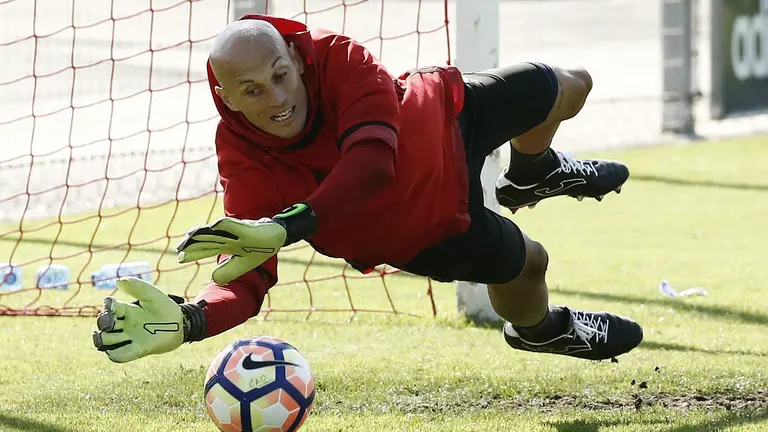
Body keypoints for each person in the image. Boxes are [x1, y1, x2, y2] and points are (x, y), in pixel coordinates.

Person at [92, 15, 642, 364]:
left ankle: (532, 169)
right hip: (425, 231)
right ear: (228, 98)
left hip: (450, 115)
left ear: (295, 60)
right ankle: (540, 331)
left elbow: (373, 162)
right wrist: (193, 320)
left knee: (570, 85)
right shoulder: (244, 159)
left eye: (280, 75)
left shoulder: (337, 56)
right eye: (252, 91)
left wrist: (286, 227)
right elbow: (249, 276)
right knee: (531, 263)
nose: (276, 97)